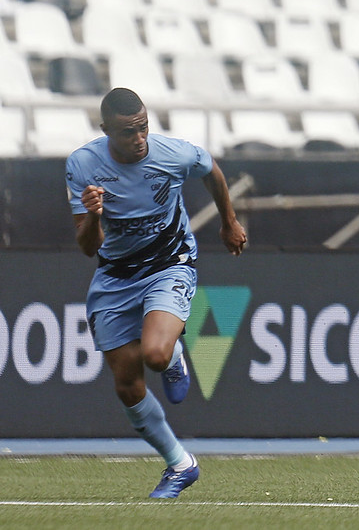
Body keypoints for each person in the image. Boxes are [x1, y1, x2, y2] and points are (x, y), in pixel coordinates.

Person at [66, 88, 247, 498]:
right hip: (115, 276)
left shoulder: (174, 153)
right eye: (129, 131)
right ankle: (180, 464)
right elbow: (87, 246)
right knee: (126, 383)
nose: (140, 138)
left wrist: (228, 223)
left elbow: (212, 170)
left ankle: (175, 356)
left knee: (155, 354)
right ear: (105, 130)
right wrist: (94, 215)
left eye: (144, 127)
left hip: (169, 265)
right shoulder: (83, 165)